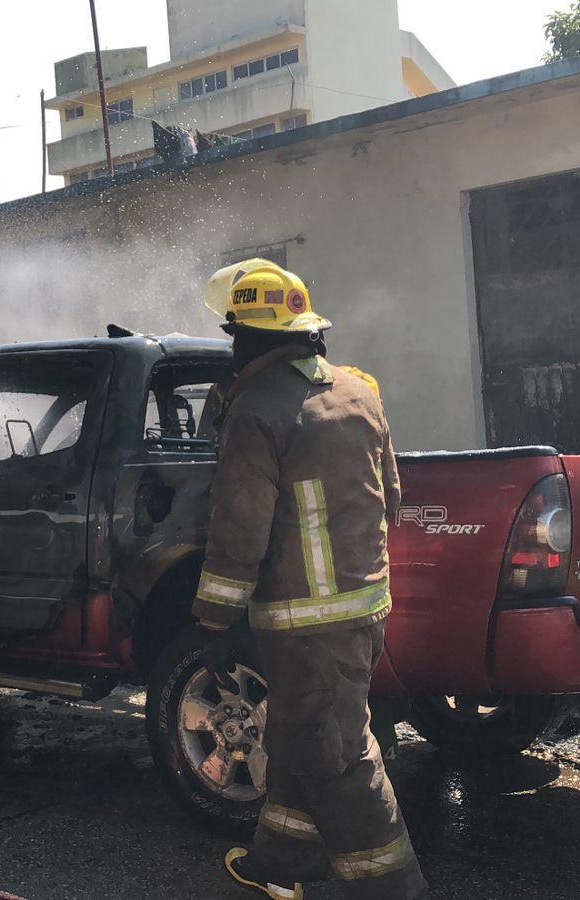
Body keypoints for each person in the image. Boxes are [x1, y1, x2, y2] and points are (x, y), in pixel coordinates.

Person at [196, 259, 426, 899]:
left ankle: (396, 890)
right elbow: (393, 495)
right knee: (301, 735)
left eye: (233, 334)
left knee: (338, 757)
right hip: (365, 610)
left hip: (305, 625)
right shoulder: (358, 394)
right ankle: (281, 865)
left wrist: (214, 622)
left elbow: (240, 530)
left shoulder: (256, 411)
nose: (231, 347)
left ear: (250, 338)